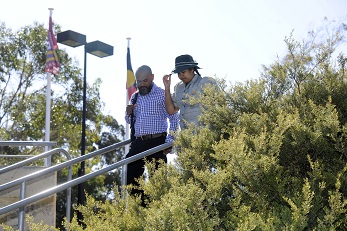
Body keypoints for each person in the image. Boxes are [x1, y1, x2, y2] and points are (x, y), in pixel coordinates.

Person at [125, 65, 179, 206]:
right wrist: (128, 113)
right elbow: (128, 120)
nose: (142, 84)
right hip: (139, 143)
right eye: (139, 81)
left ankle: (157, 208)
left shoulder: (162, 94)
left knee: (158, 181)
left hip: (157, 142)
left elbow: (173, 118)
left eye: (145, 80)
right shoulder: (135, 96)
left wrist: (170, 141)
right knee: (130, 174)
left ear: (152, 78)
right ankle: (144, 206)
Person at [162, 54, 217, 129]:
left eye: (183, 72)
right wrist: (167, 88)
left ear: (192, 69)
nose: (181, 76)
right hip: (186, 137)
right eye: (179, 73)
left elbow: (218, 107)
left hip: (205, 135)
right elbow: (171, 111)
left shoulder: (206, 82)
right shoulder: (178, 88)